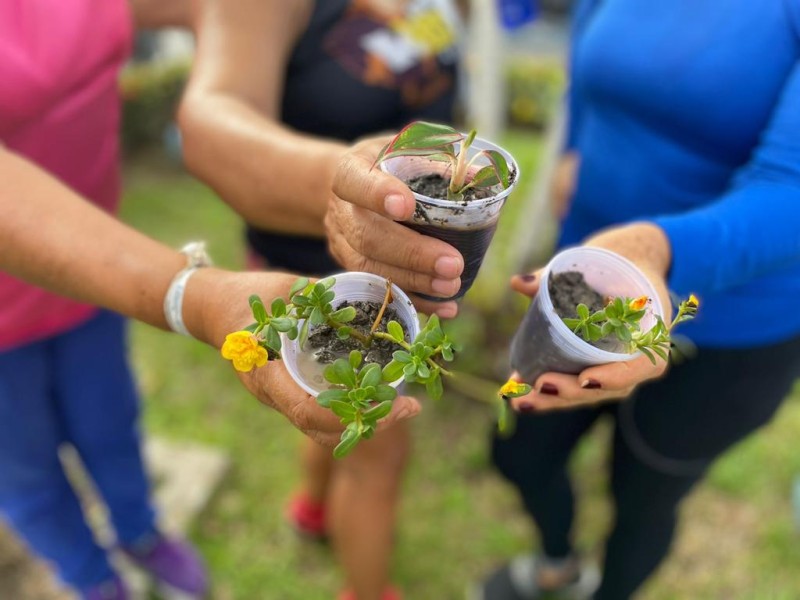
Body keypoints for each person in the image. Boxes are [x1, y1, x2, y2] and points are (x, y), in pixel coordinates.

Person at [324, 0, 800, 598]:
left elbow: (791, 187)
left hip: (735, 327)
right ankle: (559, 563)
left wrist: (657, 248)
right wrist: (574, 146)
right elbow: (591, 59)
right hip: (579, 279)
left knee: (645, 497)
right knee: (521, 452)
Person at [0, 2, 419, 599]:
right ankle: (90, 577)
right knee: (23, 464)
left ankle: (140, 532)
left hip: (93, 274)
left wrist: (342, 184)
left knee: (109, 420)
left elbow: (225, 23)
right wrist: (191, 295)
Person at [178, 1, 463, 598]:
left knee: (330, 410)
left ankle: (311, 506)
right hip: (306, 264)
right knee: (378, 453)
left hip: (398, 267)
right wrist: (338, 188)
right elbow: (208, 118)